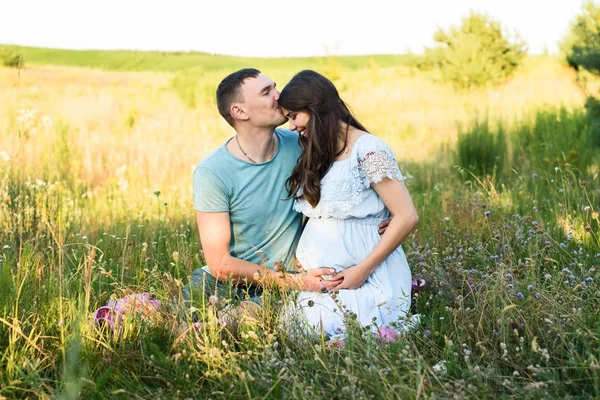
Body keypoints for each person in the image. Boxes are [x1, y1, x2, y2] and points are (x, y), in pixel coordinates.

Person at [184, 68, 346, 305]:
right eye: (266, 92)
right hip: (226, 284)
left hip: (285, 286)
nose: (279, 96)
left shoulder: (301, 144)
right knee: (185, 330)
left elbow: (350, 167)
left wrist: (382, 214)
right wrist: (297, 282)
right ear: (239, 111)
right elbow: (220, 264)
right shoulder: (213, 172)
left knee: (250, 325)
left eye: (275, 87)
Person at [277, 70, 420, 338]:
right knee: (303, 332)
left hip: (365, 275)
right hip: (320, 281)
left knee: (339, 332)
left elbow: (407, 216)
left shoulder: (368, 149)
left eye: (294, 116)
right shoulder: (319, 151)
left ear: (315, 107)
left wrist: (361, 271)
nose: (292, 126)